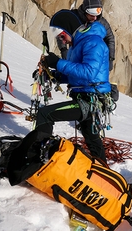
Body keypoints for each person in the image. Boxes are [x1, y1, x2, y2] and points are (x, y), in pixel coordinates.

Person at [35, 9, 111, 162]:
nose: (62, 41)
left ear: (69, 29)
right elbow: (75, 74)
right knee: (91, 137)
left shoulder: (93, 42)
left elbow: (89, 72)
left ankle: (39, 160)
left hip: (90, 100)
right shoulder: (77, 45)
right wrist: (53, 75)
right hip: (87, 98)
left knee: (45, 114)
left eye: (62, 35)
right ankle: (103, 170)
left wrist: (58, 63)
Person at [57, 0, 115, 71]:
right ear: (85, 11)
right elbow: (62, 32)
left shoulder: (101, 22)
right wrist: (64, 49)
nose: (95, 18)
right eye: (92, 14)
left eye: (97, 15)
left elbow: (110, 38)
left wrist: (110, 58)